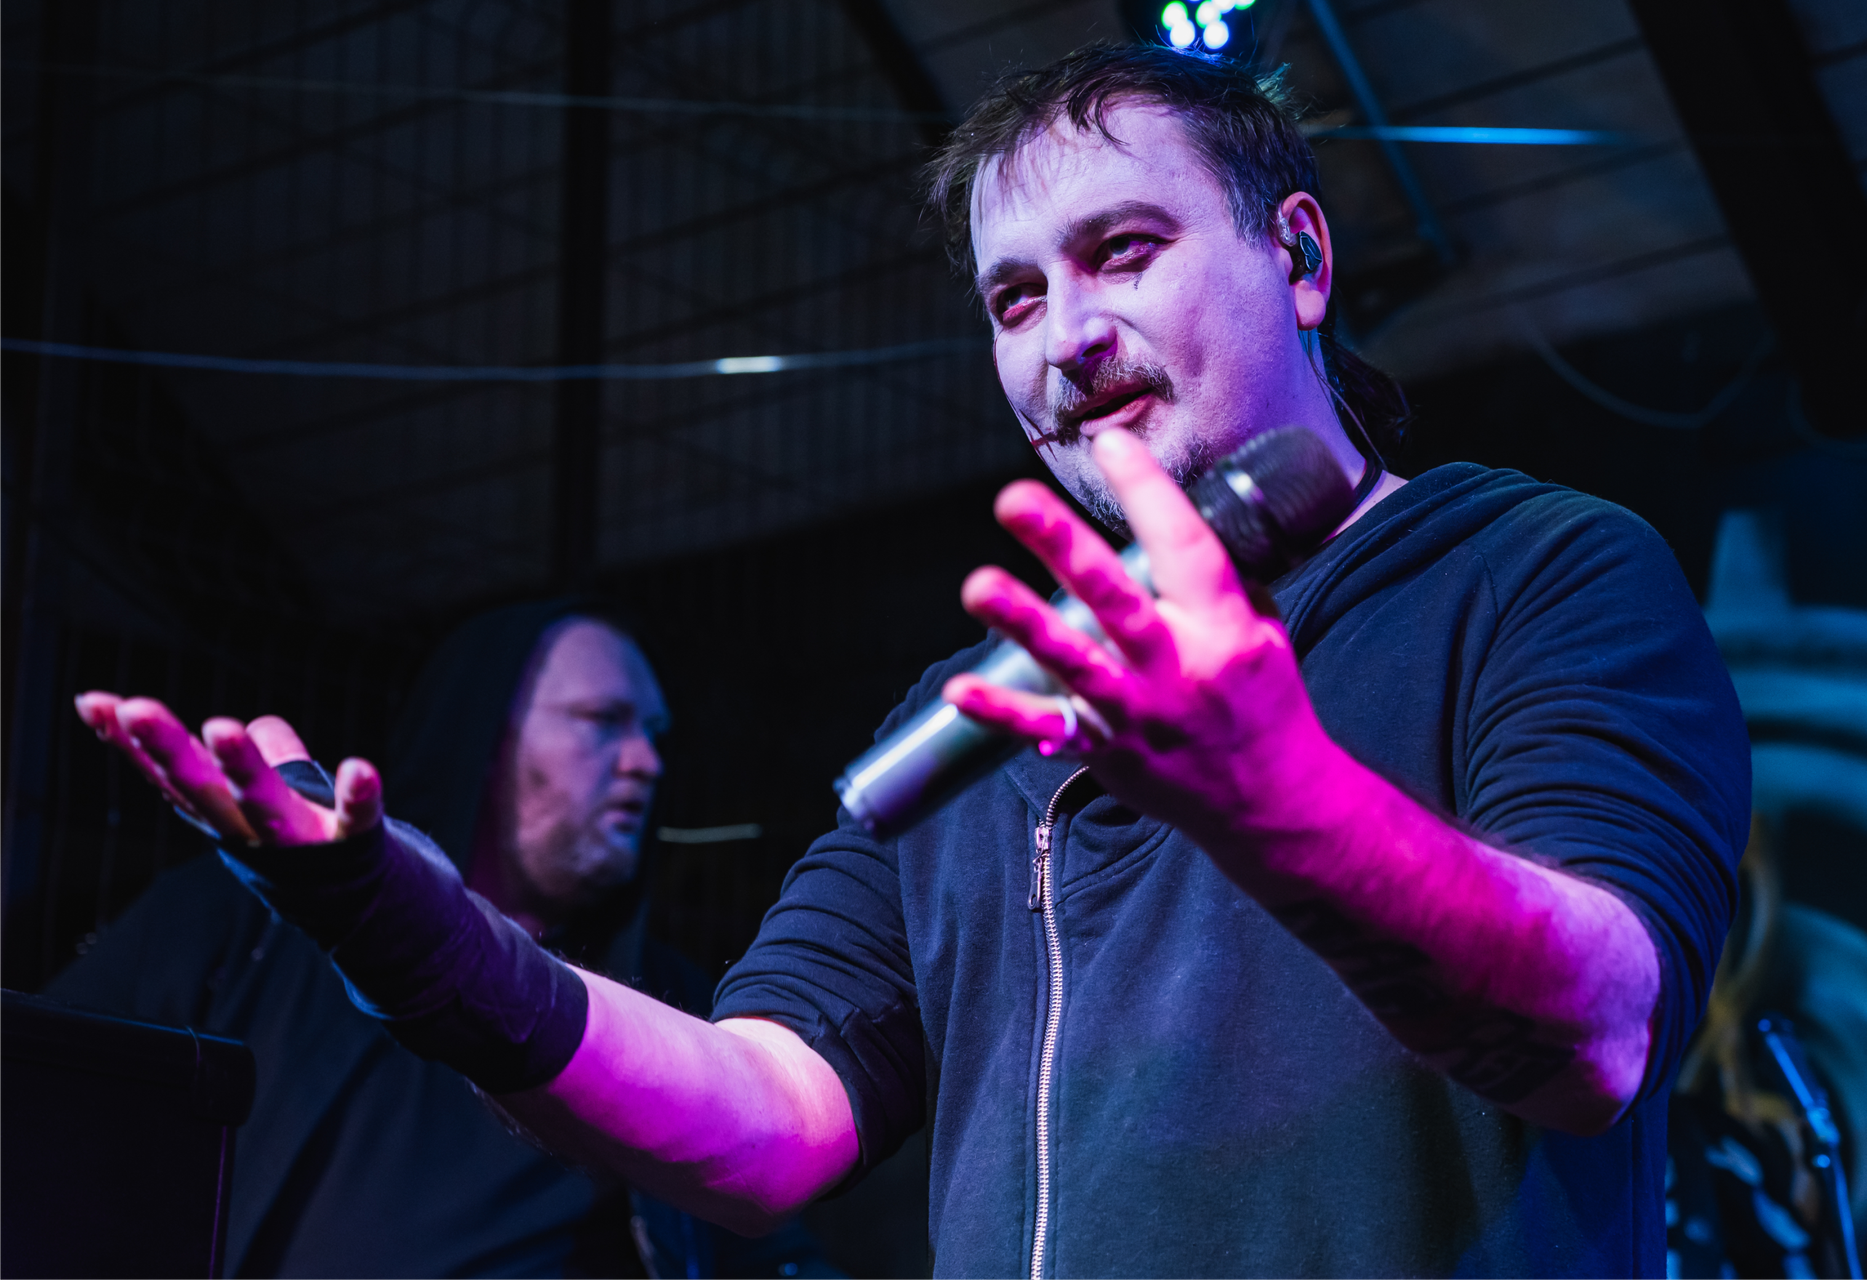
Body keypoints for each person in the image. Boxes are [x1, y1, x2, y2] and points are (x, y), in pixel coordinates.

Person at [75, 46, 1751, 1278]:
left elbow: (1599, 1032)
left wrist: (1277, 798)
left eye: (1123, 251)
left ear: (1300, 257)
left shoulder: (1535, 571)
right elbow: (764, 1119)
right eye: (1014, 300)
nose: (1068, 339)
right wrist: (408, 934)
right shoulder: (982, 718)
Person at [52, 601, 840, 1280]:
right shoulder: (243, 927)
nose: (644, 761)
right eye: (602, 722)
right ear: (487, 740)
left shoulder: (668, 1003)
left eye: (655, 734)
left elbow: (771, 1251)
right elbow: (54, 1109)